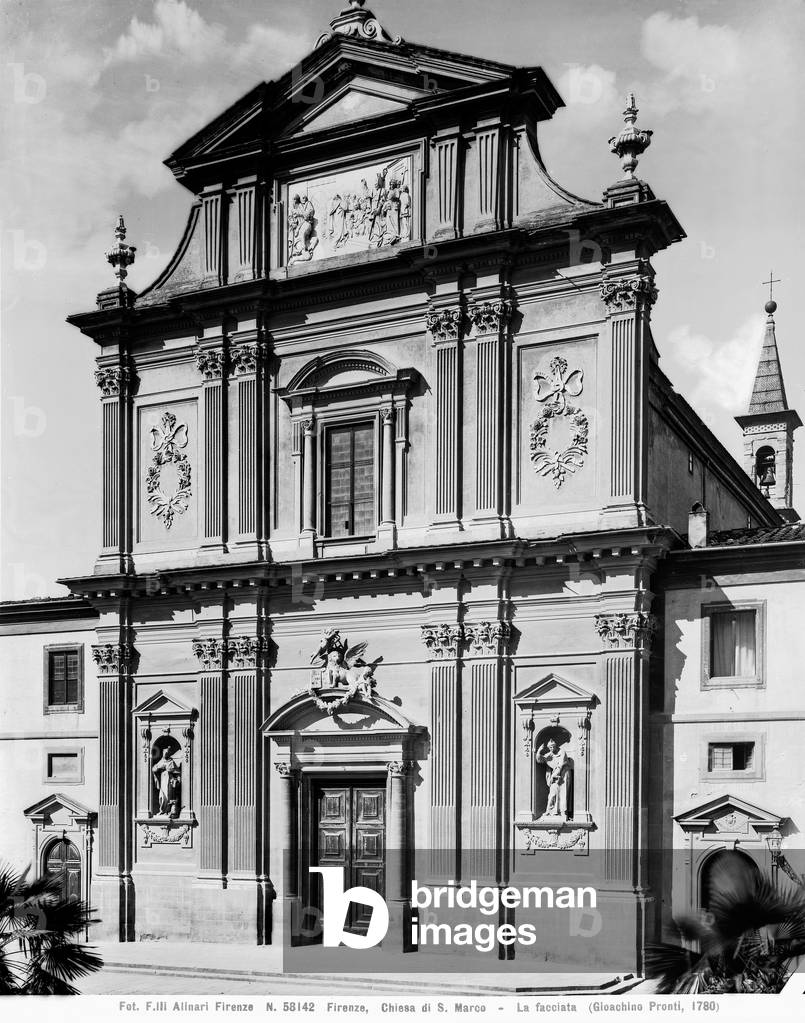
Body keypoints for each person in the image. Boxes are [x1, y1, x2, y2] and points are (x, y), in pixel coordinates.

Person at [535, 737, 572, 819]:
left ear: (556, 746)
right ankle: (549, 811)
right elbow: (540, 760)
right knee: (552, 794)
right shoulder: (549, 754)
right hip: (555, 776)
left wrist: (553, 775)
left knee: (563, 793)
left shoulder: (562, 752)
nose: (552, 748)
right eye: (550, 747)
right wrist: (539, 751)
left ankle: (563, 812)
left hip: (564, 775)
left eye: (553, 747)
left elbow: (560, 765)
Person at [152, 747, 182, 818]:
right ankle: (162, 810)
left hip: (169, 781)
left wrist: (177, 779)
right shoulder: (161, 761)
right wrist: (159, 767)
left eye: (166, 753)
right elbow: (154, 769)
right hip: (163, 781)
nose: (165, 754)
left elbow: (177, 772)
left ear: (168, 753)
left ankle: (167, 811)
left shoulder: (171, 762)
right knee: (162, 796)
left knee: (168, 796)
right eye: (164, 753)